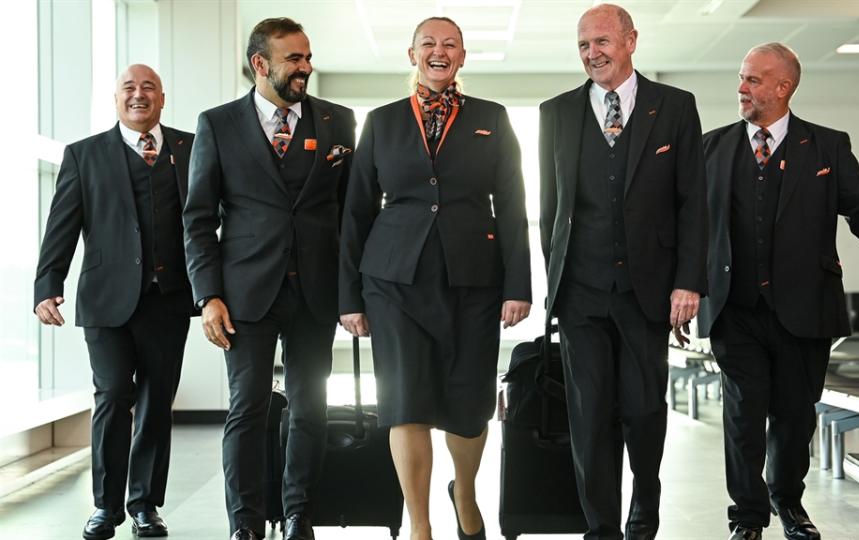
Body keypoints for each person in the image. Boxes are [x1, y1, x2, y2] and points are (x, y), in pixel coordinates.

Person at [697, 43, 859, 540]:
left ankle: (786, 500)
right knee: (744, 414)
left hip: (805, 308)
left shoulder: (827, 147)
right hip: (734, 307)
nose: (741, 89)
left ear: (782, 87)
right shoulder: (711, 147)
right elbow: (685, 225)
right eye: (741, 79)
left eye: (752, 80)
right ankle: (746, 518)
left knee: (793, 417)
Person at [339, 16, 532, 540]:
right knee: (406, 403)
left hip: (474, 280)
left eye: (450, 45)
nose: (439, 52)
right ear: (412, 55)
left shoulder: (492, 117)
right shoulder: (381, 122)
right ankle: (420, 526)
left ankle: (464, 491)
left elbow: (512, 206)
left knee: (469, 405)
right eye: (429, 44)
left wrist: (519, 285)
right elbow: (355, 212)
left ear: (463, 57)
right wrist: (348, 297)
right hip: (392, 282)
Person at [182, 17, 356, 540]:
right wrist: (208, 295)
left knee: (310, 408)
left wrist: (354, 294)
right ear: (261, 65)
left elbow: (351, 215)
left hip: (316, 291)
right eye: (294, 60)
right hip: (244, 294)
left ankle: (299, 514)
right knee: (247, 409)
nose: (306, 67)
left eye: (307, 57)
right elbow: (198, 217)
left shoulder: (338, 121)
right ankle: (247, 523)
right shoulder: (217, 124)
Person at [539, 4, 708, 539]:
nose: (593, 53)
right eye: (584, 44)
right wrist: (557, 278)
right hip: (581, 292)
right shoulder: (556, 112)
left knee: (643, 412)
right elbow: (551, 208)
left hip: (648, 291)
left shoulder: (675, 107)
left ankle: (644, 517)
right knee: (588, 420)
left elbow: (693, 204)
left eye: (603, 42)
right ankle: (601, 530)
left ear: (631, 41)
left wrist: (688, 281)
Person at [34, 64, 195, 540]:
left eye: (149, 88)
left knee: (155, 403)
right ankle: (106, 507)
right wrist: (48, 283)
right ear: (116, 98)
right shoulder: (84, 155)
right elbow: (61, 224)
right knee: (111, 396)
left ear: (162, 99)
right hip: (105, 300)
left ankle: (146, 505)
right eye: (130, 88)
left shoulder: (192, 149)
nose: (139, 95)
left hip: (168, 299)